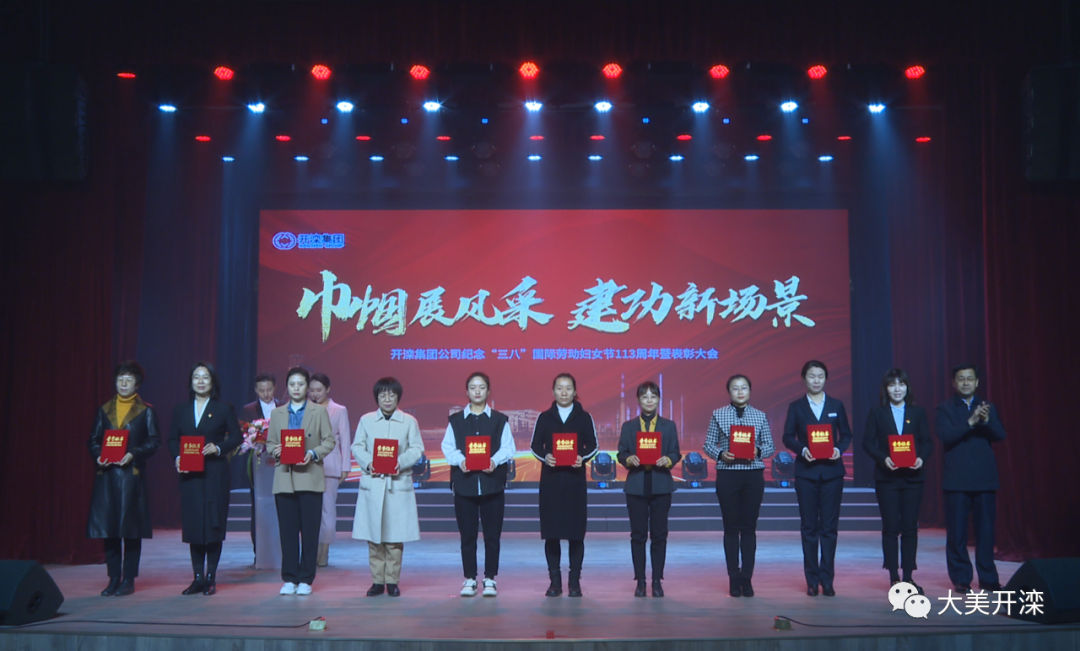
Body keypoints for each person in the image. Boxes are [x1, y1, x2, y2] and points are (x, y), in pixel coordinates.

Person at [168, 362, 243, 596]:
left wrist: (218, 448)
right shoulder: (180, 409)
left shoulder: (223, 408)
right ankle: (197, 577)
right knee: (194, 526)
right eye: (196, 377)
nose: (200, 381)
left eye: (205, 377)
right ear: (191, 382)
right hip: (190, 476)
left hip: (214, 474)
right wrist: (178, 457)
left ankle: (211, 577)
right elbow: (172, 439)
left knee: (213, 524)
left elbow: (237, 437)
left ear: (213, 382)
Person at [87, 361, 161, 597]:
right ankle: (113, 578)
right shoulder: (104, 409)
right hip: (107, 476)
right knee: (109, 530)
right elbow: (93, 440)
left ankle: (128, 579)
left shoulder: (146, 410)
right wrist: (98, 455)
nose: (124, 384)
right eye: (120, 379)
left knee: (131, 530)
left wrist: (134, 454)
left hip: (131, 477)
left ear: (137, 384)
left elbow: (154, 441)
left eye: (129, 380)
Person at [441, 372, 516, 597]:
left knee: (492, 536)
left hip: (492, 486)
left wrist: (494, 461)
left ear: (488, 391)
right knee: (468, 536)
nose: (477, 391)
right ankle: (470, 578)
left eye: (481, 387)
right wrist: (460, 461)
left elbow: (508, 448)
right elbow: (448, 447)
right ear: (467, 391)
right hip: (465, 486)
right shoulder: (456, 420)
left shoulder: (499, 420)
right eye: (473, 387)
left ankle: (490, 578)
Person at [782, 360, 852, 597]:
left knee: (829, 528)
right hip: (806, 473)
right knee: (809, 528)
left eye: (820, 376)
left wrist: (839, 449)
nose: (816, 380)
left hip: (832, 473)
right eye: (812, 376)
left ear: (826, 378)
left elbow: (846, 435)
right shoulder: (796, 407)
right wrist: (802, 450)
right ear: (804, 378)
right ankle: (812, 580)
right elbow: (787, 436)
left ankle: (827, 579)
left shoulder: (836, 405)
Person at [936, 363, 1007, 594]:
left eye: (970, 378)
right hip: (956, 480)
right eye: (961, 378)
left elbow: (1000, 435)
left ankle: (988, 579)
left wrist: (985, 421)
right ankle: (961, 579)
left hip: (984, 479)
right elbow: (946, 436)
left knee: (986, 532)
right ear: (953, 383)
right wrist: (970, 422)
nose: (965, 382)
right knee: (957, 533)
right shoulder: (944, 408)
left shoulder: (987, 407)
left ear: (977, 382)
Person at [351, 377, 424, 598]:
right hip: (373, 483)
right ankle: (377, 581)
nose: (387, 399)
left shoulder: (409, 421)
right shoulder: (366, 420)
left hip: (397, 484)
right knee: (374, 537)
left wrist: (399, 463)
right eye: (383, 395)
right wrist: (369, 463)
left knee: (394, 537)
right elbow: (357, 447)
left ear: (398, 397)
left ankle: (392, 581)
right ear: (377, 398)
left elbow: (417, 448)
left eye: (392, 395)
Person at [704, 374, 775, 598]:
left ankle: (747, 578)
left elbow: (770, 445)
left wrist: (758, 451)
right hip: (728, 475)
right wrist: (720, 454)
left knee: (749, 528)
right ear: (729, 392)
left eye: (744, 388)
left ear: (750, 391)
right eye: (735, 388)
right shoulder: (718, 414)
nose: (740, 392)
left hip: (753, 475)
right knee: (731, 528)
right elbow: (708, 444)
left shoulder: (760, 416)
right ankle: (734, 578)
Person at [862, 368, 933, 591]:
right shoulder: (877, 412)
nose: (897, 389)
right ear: (886, 389)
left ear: (907, 387)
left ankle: (908, 576)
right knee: (891, 528)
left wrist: (921, 458)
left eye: (901, 384)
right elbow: (867, 442)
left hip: (913, 478)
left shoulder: (918, 412)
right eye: (892, 385)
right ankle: (893, 576)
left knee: (910, 528)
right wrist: (883, 459)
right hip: (887, 478)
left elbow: (927, 441)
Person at [266, 366, 335, 596]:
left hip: (310, 476)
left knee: (310, 531)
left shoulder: (319, 411)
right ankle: (289, 578)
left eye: (301, 384)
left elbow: (329, 441)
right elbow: (270, 442)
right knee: (287, 531)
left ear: (308, 387)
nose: (296, 388)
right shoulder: (277, 413)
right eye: (292, 384)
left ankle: (306, 578)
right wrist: (275, 450)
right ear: (287, 387)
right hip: (284, 477)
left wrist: (313, 453)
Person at [530, 373, 599, 597]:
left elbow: (593, 445)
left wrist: (582, 457)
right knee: (552, 533)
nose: (564, 392)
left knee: (576, 534)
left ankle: (574, 582)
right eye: (559, 388)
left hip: (575, 482)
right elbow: (535, 446)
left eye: (568, 388)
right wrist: (545, 456)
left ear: (575, 391)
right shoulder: (544, 417)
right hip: (551, 482)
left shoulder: (584, 417)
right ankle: (555, 582)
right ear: (553, 391)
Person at [617, 381, 681, 598]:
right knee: (638, 535)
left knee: (659, 535)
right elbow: (621, 453)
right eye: (645, 396)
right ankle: (641, 581)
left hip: (661, 485)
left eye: (653, 396)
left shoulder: (668, 426)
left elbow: (675, 453)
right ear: (638, 400)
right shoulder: (629, 426)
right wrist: (629, 459)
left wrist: (668, 460)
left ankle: (656, 581)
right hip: (636, 485)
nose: (649, 400)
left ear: (659, 399)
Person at [307, 373, 352, 568]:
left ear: (328, 389)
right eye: (312, 390)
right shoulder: (305, 408)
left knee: (327, 511)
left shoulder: (339, 410)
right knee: (310, 511)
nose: (315, 394)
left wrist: (345, 467)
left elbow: (345, 440)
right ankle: (311, 550)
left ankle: (324, 551)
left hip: (330, 466)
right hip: (307, 464)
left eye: (319, 390)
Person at [239, 372, 280, 555]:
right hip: (258, 465)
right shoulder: (248, 409)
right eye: (262, 390)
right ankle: (260, 551)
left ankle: (280, 550)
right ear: (256, 390)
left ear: (275, 388)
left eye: (269, 389)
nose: (266, 394)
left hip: (280, 464)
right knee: (258, 508)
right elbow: (242, 435)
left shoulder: (283, 406)